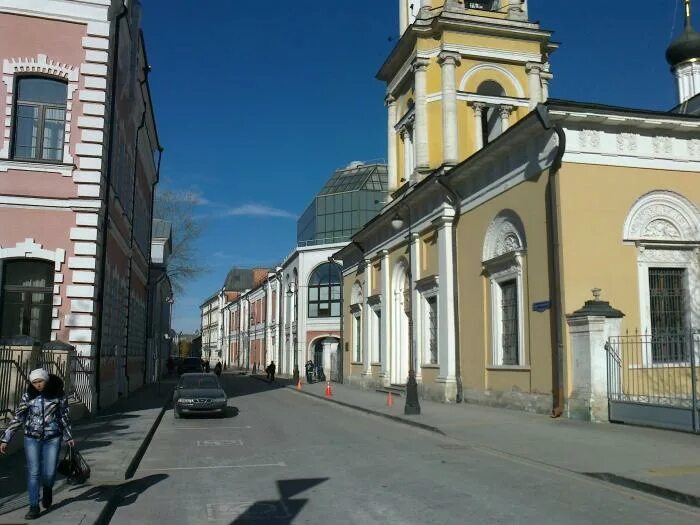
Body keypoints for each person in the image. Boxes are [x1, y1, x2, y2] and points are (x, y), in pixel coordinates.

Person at [0, 369, 74, 520]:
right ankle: (34, 506)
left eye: (40, 381)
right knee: (34, 472)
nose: (38, 385)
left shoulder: (58, 395)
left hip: (53, 437)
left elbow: (64, 417)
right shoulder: (28, 396)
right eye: (34, 383)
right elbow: (18, 417)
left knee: (50, 472)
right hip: (31, 438)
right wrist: (5, 438)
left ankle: (47, 488)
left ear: (46, 380)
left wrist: (69, 436)